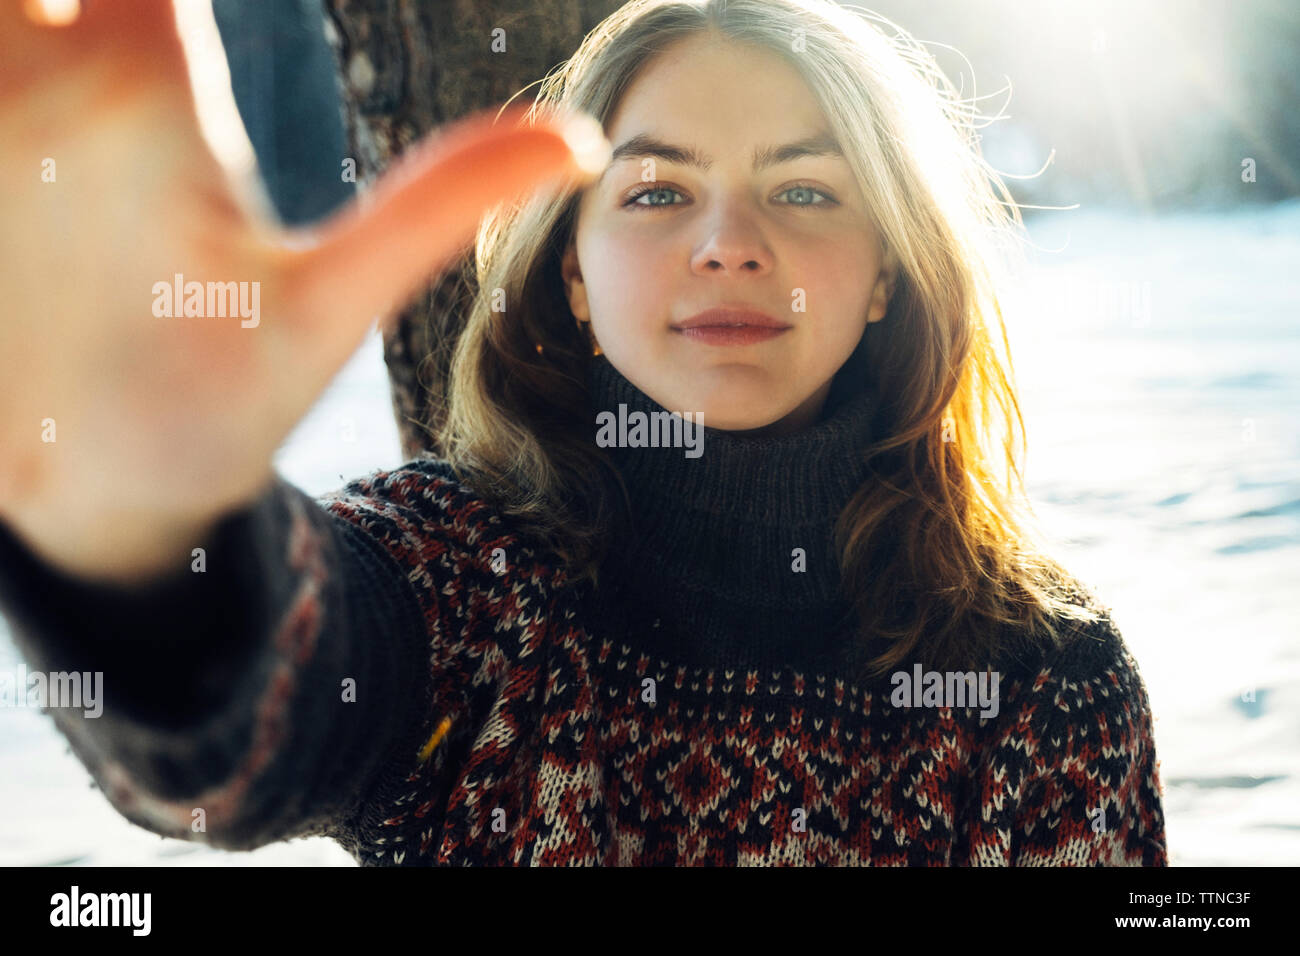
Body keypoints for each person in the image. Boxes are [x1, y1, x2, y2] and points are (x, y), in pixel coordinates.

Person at [0, 0, 1167, 865]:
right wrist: (137, 533)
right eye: (657, 192)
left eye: (806, 190)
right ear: (570, 271)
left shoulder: (1042, 679)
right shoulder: (466, 582)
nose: (727, 242)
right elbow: (239, 742)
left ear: (885, 273)